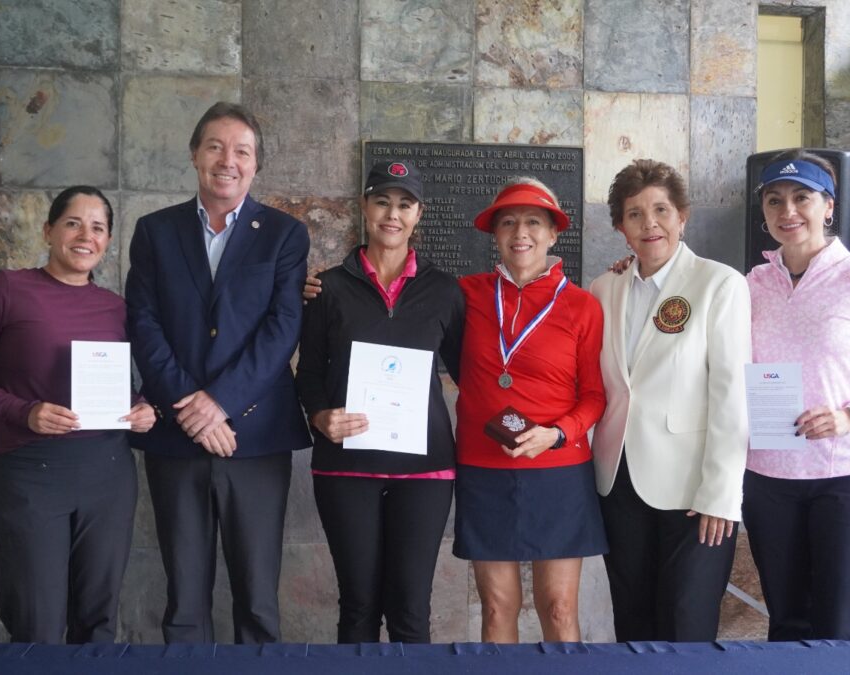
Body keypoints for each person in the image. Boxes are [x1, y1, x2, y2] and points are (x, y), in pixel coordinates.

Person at [125, 101, 311, 644]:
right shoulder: (154, 232)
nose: (227, 160)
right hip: (176, 437)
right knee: (184, 598)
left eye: (242, 151)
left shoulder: (283, 235)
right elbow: (144, 321)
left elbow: (282, 330)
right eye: (215, 146)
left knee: (257, 598)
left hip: (254, 438)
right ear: (194, 155)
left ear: (255, 165)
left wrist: (221, 402)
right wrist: (190, 405)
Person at [0, 186, 155, 644]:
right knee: (35, 621)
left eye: (98, 227)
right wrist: (24, 411)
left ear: (108, 240)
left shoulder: (116, 308)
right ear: (48, 231)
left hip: (109, 475)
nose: (85, 236)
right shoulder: (6, 288)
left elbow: (122, 385)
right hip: (30, 474)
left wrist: (140, 410)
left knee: (97, 622)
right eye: (73, 223)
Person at [743, 149, 850, 640]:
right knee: (786, 622)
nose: (788, 211)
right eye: (775, 200)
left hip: (848, 479)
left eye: (802, 197)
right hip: (770, 480)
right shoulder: (751, 284)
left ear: (829, 205)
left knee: (840, 625)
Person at [295, 160, 464, 643]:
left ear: (419, 215)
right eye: (383, 202)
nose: (393, 214)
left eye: (405, 205)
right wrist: (319, 415)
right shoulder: (328, 288)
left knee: (411, 610)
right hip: (346, 468)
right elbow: (307, 374)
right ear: (365, 208)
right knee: (359, 607)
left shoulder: (444, 291)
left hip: (425, 471)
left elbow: (472, 371)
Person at [589, 158, 751, 642]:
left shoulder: (719, 284)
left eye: (661, 209)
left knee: (687, 625)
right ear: (620, 227)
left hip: (693, 491)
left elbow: (730, 393)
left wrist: (721, 494)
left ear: (683, 215)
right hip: (619, 483)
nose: (649, 223)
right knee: (633, 625)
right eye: (634, 214)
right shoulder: (604, 288)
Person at [454, 178, 607, 643]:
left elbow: (595, 396)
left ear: (553, 234)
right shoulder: (464, 294)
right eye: (508, 222)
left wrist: (556, 434)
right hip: (483, 466)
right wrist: (322, 287)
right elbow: (397, 294)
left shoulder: (583, 306)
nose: (521, 232)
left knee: (558, 608)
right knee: (498, 607)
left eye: (533, 222)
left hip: (558, 468)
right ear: (495, 234)